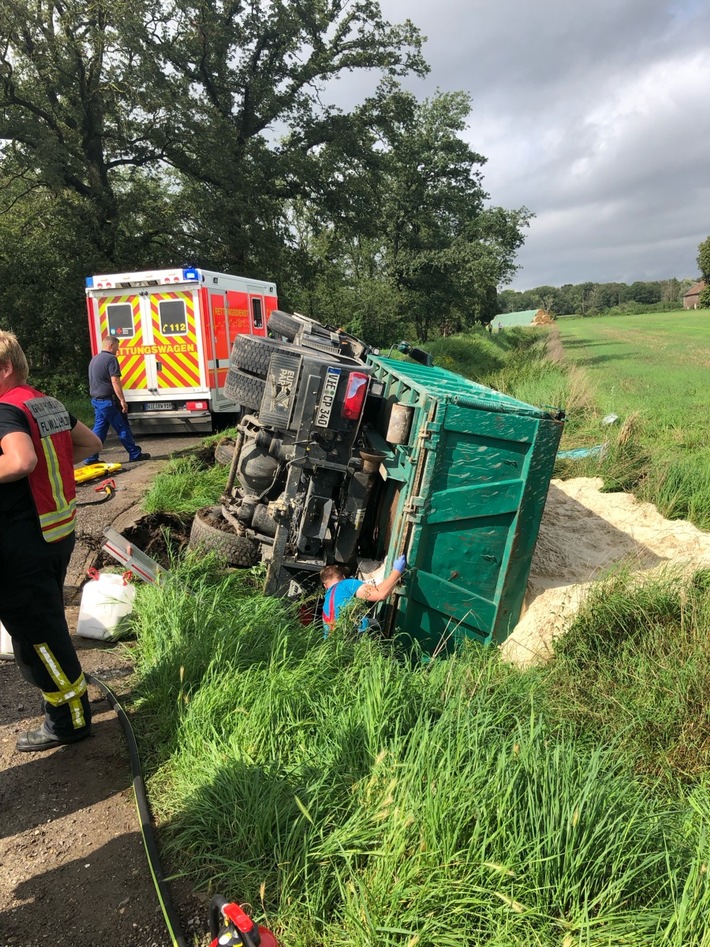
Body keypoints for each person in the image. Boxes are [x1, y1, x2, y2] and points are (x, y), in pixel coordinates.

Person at [0, 331, 103, 751]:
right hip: (55, 534)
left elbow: (21, 460)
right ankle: (69, 710)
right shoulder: (45, 403)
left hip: (22, 542)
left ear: (4, 368)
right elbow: (91, 444)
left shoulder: (5, 409)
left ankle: (68, 719)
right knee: (46, 624)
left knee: (36, 637)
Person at [83, 335, 150, 464]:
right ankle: (135, 454)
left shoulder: (94, 359)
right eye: (117, 348)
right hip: (108, 402)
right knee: (122, 427)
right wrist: (122, 400)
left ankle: (91, 457)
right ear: (111, 346)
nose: (117, 351)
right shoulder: (111, 359)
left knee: (99, 429)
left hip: (97, 400)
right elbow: (115, 381)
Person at [321, 554, 407, 635]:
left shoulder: (326, 604)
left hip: (334, 646)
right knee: (377, 625)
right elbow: (380, 594)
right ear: (343, 577)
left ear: (325, 586)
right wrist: (397, 571)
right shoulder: (345, 584)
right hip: (354, 637)